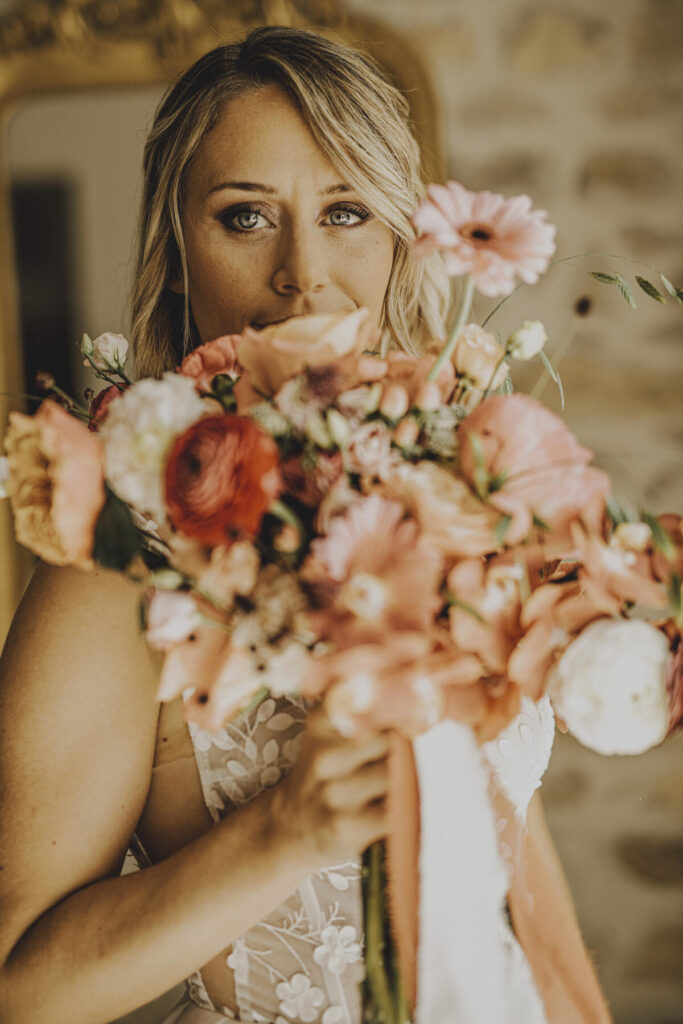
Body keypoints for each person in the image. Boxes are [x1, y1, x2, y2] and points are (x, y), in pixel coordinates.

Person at [0, 26, 612, 1024]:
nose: (301, 276)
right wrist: (282, 831)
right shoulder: (120, 561)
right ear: (175, 255)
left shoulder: (459, 494)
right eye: (245, 217)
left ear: (399, 241)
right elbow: (15, 987)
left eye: (344, 212)